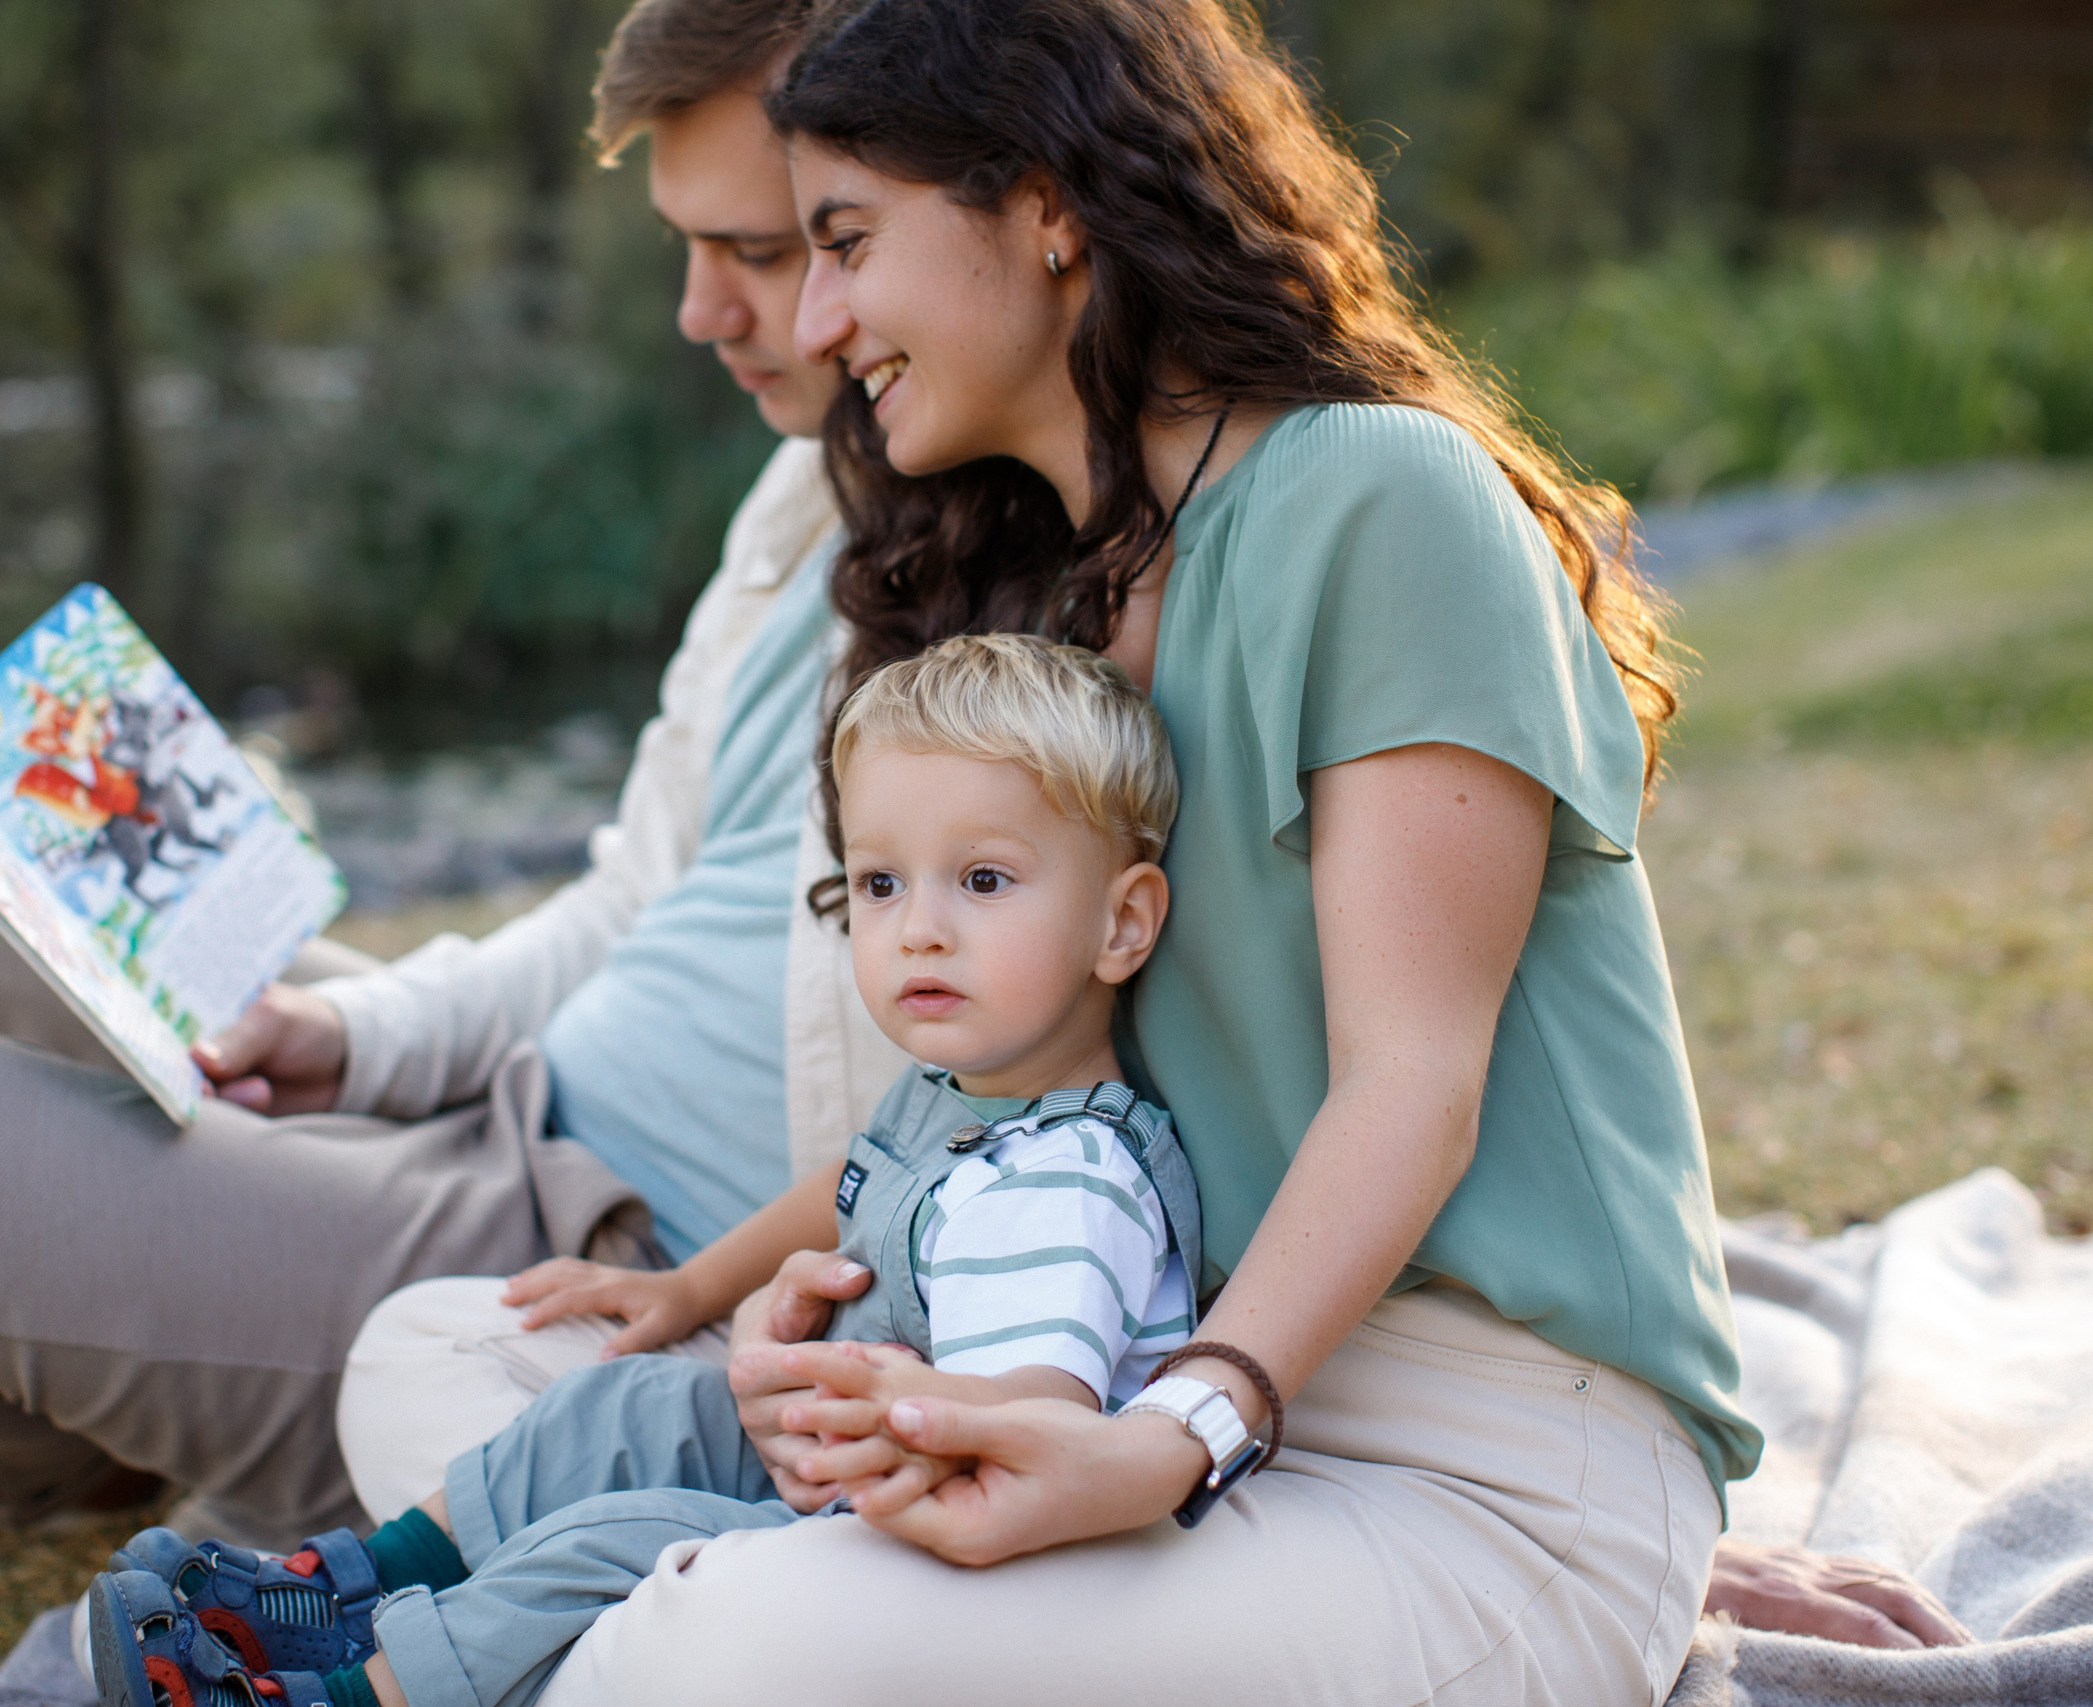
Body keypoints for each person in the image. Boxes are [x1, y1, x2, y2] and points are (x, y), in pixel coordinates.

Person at [344, 2, 1783, 1702]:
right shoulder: (1050, 605)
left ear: (1045, 204)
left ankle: (673, 1597)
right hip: (1117, 1368)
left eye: (847, 243)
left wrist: (1180, 1430)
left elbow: (1416, 1081)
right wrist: (748, 1312)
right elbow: (1005, 1108)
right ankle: (690, 1572)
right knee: (440, 1353)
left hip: (1467, 1454)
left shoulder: (1379, 499)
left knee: (705, 1645)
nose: (819, 321)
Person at [0, 0, 888, 1601]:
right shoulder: (808, 494)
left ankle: (63, 1426)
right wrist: (364, 1036)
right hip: (504, 1104)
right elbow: (631, 898)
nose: (694, 309)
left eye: (760, 246)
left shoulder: (1063, 562)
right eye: (687, 244)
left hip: (601, 1263)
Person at [85, 632, 1201, 1707]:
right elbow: (843, 1188)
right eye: (879, 884)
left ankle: (352, 1694)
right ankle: (342, 1592)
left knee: (632, 1538)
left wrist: (856, 1408)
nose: (918, 929)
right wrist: (692, 1292)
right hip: (857, 1465)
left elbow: (1032, 1430)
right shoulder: (961, 1098)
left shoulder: (1070, 1180)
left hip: (957, 1547)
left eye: (985, 881)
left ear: (1121, 923)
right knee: (618, 1406)